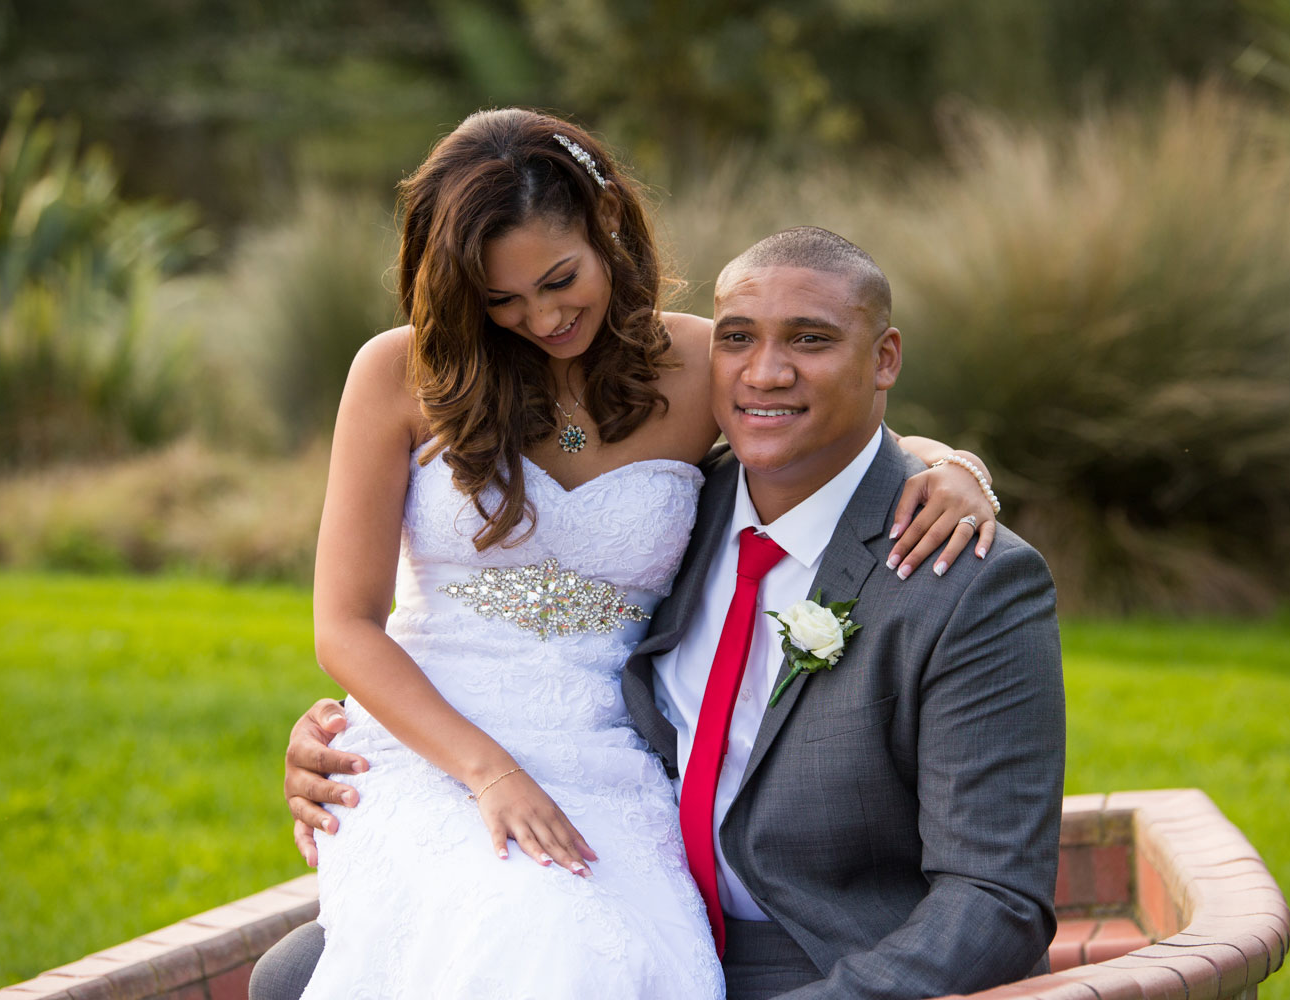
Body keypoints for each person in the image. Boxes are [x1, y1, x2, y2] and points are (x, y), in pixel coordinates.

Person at [263, 109, 1002, 1000]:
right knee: (533, 932)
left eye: (559, 278)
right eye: (501, 300)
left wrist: (953, 465)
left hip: (613, 755)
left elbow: (829, 426)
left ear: (607, 222)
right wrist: (490, 774)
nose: (540, 317)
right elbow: (344, 626)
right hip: (431, 749)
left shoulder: (697, 366)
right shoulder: (398, 375)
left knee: (630, 960)